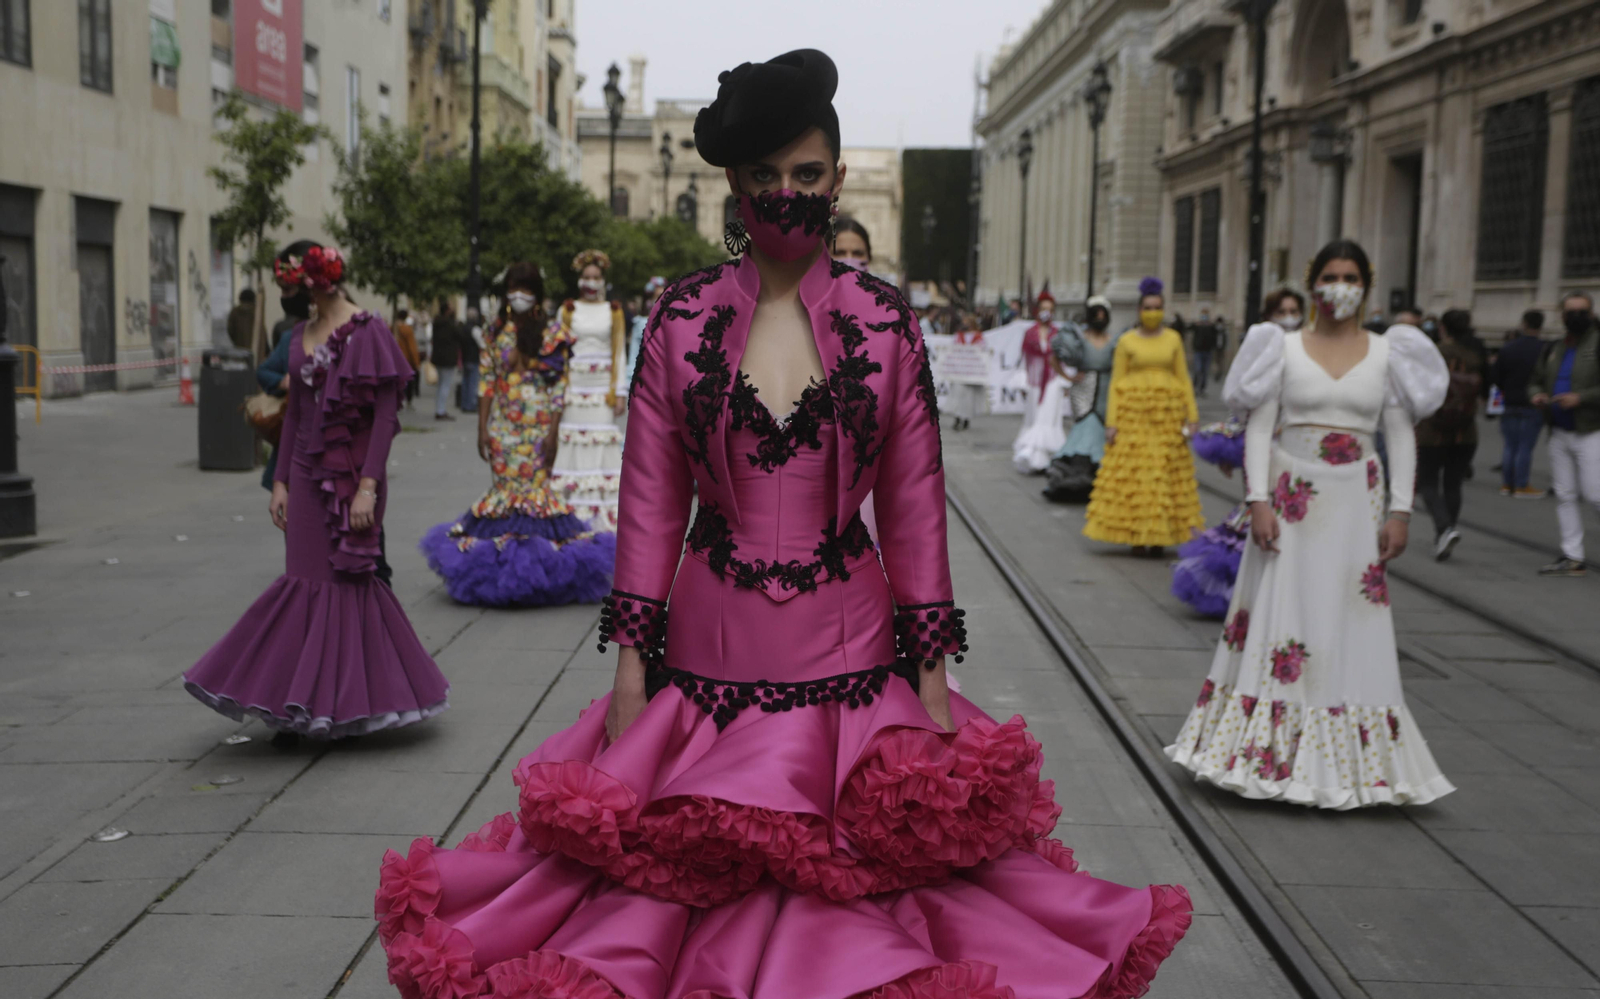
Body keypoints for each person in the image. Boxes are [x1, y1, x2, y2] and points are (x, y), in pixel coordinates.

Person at [373, 48, 1190, 999]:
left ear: (839, 182)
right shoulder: (679, 319)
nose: (788, 194)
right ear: (733, 184)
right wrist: (632, 670)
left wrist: (930, 680)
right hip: (705, 657)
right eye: (766, 176)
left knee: (868, 897)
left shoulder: (886, 324)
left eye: (808, 176)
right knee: (666, 891)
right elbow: (649, 504)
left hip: (852, 660)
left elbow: (916, 506)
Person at [1166, 238, 1454, 809]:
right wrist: (1257, 499)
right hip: (1291, 496)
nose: (1339, 286)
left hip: (1357, 504)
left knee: (1351, 623)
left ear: (1365, 286)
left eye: (1350, 277)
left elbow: (1399, 433)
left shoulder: (1388, 353)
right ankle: (1262, 753)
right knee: (1283, 617)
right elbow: (1257, 427)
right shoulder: (1282, 348)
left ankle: (1354, 765)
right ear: (1312, 282)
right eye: (1330, 275)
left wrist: (1400, 510)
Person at [183, 242, 447, 746]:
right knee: (303, 583)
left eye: (291, 285)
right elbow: (297, 414)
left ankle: (355, 700)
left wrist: (368, 489)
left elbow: (386, 418)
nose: (288, 294)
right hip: (304, 476)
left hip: (353, 480)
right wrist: (280, 480)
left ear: (314, 281)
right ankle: (296, 703)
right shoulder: (300, 334)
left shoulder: (369, 330)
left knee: (349, 583)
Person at [420, 262, 616, 606]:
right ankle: (499, 574)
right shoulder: (496, 333)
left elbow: (559, 388)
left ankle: (542, 574)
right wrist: (482, 428)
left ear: (537, 293)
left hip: (539, 425)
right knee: (505, 495)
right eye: (514, 287)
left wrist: (554, 432)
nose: (519, 295)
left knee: (536, 496)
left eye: (526, 288)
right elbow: (486, 382)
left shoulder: (553, 334)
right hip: (504, 429)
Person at [1170, 288, 1305, 617]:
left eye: (1293, 310)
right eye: (1281, 311)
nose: (1288, 317)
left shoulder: (1310, 352)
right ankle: (1248, 593)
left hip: (1300, 453)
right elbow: (1245, 404)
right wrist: (1229, 452)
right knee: (1259, 515)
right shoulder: (1264, 348)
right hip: (1265, 448)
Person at [1083, 276, 1205, 555]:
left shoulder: (1173, 339)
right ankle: (1138, 535)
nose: (1153, 313)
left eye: (1157, 307)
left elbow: (1184, 379)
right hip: (1133, 420)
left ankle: (1160, 537)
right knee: (1137, 478)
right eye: (1148, 308)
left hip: (1167, 418)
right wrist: (1111, 423)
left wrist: (1192, 416)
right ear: (1139, 311)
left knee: (1162, 476)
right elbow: (1115, 383)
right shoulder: (1126, 341)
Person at [548, 250, 627, 531]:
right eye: (586, 277)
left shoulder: (614, 311)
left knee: (600, 444)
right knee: (572, 443)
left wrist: (620, 392)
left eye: (596, 278)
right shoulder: (567, 310)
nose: (591, 283)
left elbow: (619, 354)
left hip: (602, 390)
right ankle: (570, 516)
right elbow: (556, 352)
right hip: (573, 388)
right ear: (579, 280)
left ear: (603, 280)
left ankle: (603, 521)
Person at [1531, 291, 1600, 576]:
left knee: (1596, 495)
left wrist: (1580, 398)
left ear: (1591, 312)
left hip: (1591, 430)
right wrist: (1537, 395)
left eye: (1581, 311)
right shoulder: (1555, 347)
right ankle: (1572, 556)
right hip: (1559, 432)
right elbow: (1535, 380)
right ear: (1561, 315)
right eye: (1570, 311)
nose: (1575, 317)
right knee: (1565, 494)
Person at [1414, 309, 1483, 561]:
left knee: (1428, 482)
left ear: (1442, 327)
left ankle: (1445, 529)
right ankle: (1445, 534)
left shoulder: (1431, 354)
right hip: (1466, 432)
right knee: (1453, 483)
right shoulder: (1475, 356)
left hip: (1433, 430)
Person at [1043, 295, 1120, 502]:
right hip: (1082, 391)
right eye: (1096, 313)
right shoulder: (1077, 338)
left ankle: (1100, 477)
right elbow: (1054, 357)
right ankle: (1078, 475)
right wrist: (1068, 376)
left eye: (1104, 314)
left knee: (1103, 431)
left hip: (1108, 392)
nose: (1100, 317)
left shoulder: (1115, 339)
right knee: (1087, 427)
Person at [1013, 286, 1069, 472]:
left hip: (1053, 380)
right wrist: (1022, 382)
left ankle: (1044, 458)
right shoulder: (1029, 333)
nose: (1047, 313)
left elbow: (1063, 359)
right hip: (1034, 381)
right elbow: (1023, 360)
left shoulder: (1058, 334)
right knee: (1034, 417)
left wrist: (1066, 380)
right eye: (1044, 309)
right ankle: (1032, 457)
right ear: (1038, 310)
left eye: (1050, 310)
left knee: (1048, 417)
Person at [1493, 308, 1547, 498]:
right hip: (1533, 402)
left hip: (1510, 400)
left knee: (1510, 444)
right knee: (1525, 445)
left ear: (1523, 324)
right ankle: (1522, 484)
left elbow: (1497, 376)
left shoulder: (1508, 348)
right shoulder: (1545, 349)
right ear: (1541, 325)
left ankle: (1507, 484)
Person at [625, 275, 667, 390]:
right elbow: (634, 352)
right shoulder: (641, 323)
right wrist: (630, 379)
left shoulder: (674, 323)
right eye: (657, 296)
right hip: (646, 380)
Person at [431, 298, 464, 421]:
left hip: (439, 358)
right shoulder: (450, 324)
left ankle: (439, 408)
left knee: (441, 385)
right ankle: (441, 410)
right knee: (445, 385)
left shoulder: (437, 323)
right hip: (448, 358)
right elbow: (459, 335)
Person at [394, 308, 422, 409]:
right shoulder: (407, 329)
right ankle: (408, 401)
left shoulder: (392, 327)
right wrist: (416, 362)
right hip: (406, 359)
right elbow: (412, 347)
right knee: (409, 381)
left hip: (393, 358)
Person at [460, 305, 484, 413]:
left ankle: (464, 403)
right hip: (473, 358)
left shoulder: (463, 328)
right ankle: (470, 405)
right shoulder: (475, 329)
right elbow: (482, 344)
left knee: (465, 382)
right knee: (472, 383)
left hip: (465, 357)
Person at [1189, 308, 1219, 396]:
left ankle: (1202, 389)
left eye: (1205, 315)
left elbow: (1215, 336)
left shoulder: (1211, 326)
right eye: (1203, 315)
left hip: (1207, 351)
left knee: (1205, 372)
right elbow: (1189, 328)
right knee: (1198, 370)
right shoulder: (1197, 325)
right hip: (1198, 351)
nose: (1204, 317)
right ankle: (1195, 387)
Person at [227, 288, 256, 352]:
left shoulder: (234, 311)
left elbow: (230, 330)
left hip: (239, 349)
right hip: (254, 349)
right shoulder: (256, 312)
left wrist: (236, 341)